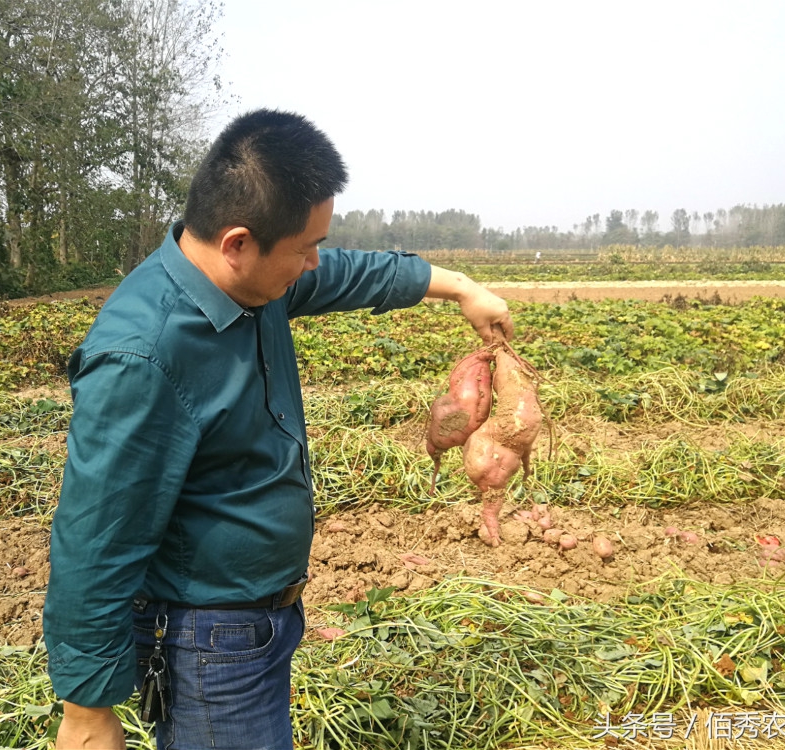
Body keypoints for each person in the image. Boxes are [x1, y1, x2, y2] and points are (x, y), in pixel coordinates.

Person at [42, 109, 514, 750]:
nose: (314, 261)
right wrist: (86, 710)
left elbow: (346, 272)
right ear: (238, 243)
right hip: (207, 645)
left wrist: (458, 288)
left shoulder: (253, 284)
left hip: (261, 621)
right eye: (303, 248)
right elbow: (96, 537)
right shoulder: (144, 356)